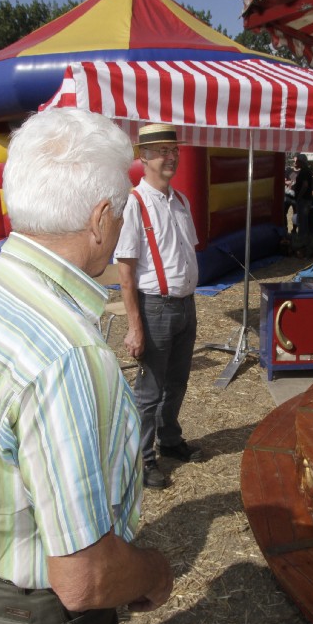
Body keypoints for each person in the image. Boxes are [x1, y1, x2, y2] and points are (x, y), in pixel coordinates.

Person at [0, 108, 174, 624]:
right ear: (100, 217)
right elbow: (84, 578)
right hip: (48, 611)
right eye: (122, 209)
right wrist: (152, 573)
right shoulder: (66, 355)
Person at [116, 123, 202, 490]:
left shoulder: (180, 200)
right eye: (163, 151)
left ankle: (169, 439)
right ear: (145, 157)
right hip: (155, 308)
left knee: (178, 382)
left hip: (185, 305)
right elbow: (125, 271)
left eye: (174, 150)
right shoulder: (134, 204)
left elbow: (183, 252)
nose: (172, 157)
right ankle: (142, 459)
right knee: (149, 391)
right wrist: (135, 326)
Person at [291, 153, 313, 236]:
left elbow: (305, 185)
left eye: (297, 161)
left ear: (301, 161)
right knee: (303, 219)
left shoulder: (304, 171)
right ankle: (304, 236)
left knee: (302, 220)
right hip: (306, 198)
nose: (296, 162)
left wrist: (299, 196)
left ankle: (302, 237)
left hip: (303, 199)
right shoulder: (306, 170)